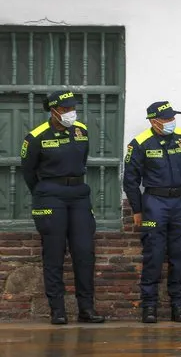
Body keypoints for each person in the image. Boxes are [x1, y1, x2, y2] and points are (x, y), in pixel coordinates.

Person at [21, 90, 105, 325]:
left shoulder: (81, 131)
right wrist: (44, 192)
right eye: (66, 109)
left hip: (78, 194)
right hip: (50, 196)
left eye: (72, 108)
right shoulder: (35, 137)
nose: (71, 113)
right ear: (54, 110)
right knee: (54, 254)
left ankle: (86, 309)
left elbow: (83, 159)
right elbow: (28, 172)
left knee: (84, 253)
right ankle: (57, 310)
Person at [123, 101, 181, 323]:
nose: (171, 122)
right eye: (166, 119)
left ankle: (178, 306)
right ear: (154, 121)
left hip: (180, 202)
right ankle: (149, 307)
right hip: (155, 202)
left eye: (173, 118)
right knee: (153, 256)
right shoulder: (140, 144)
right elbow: (130, 181)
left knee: (180, 256)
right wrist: (137, 209)